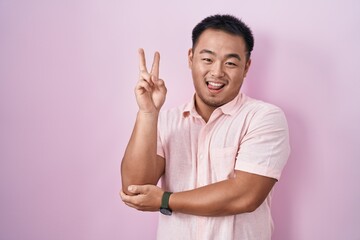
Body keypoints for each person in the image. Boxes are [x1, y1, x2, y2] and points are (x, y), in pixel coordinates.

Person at [120, 14, 290, 240]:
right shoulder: (167, 120)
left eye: (230, 63)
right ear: (190, 58)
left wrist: (165, 200)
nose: (217, 72)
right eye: (207, 59)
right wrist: (148, 113)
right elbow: (136, 188)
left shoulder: (264, 118)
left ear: (246, 67)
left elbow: (245, 195)